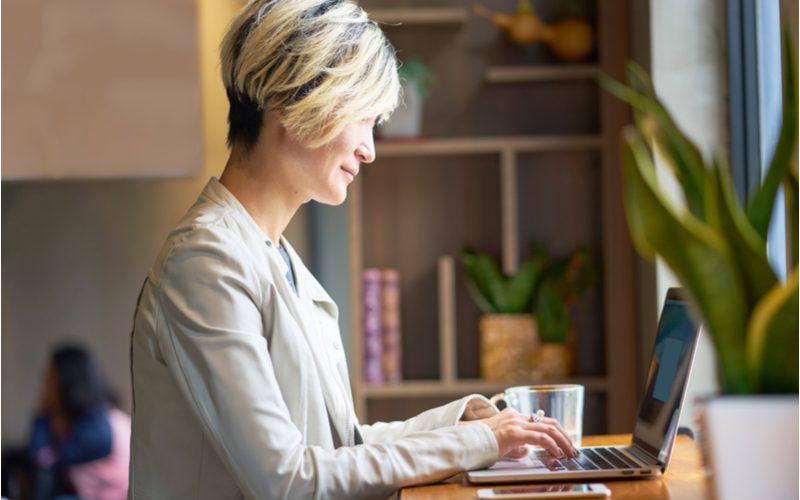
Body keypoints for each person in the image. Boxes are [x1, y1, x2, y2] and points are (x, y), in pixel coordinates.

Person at [128, 1, 579, 498]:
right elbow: (288, 480)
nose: (370, 148)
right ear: (290, 101)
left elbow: (342, 448)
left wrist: (462, 421)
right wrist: (472, 443)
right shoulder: (206, 264)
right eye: (361, 118)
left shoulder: (271, 256)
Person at [4, 344, 130, 500]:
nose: (44, 381)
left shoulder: (100, 424)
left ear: (67, 381)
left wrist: (43, 409)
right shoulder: (85, 418)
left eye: (50, 376)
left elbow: (41, 458)